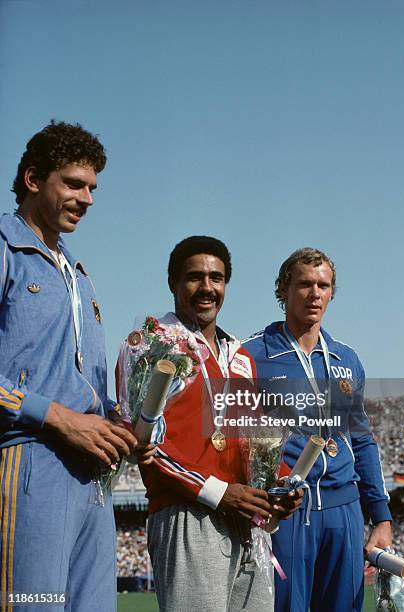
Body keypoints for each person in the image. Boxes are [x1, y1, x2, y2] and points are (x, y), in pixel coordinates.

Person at [0, 121, 137, 611]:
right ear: (34, 179)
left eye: (93, 188)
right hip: (31, 457)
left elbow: (86, 384)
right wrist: (57, 417)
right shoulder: (5, 249)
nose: (88, 198)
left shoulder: (79, 275)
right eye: (74, 184)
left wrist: (120, 421)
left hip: (91, 475)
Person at [137, 236, 301, 612]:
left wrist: (282, 482)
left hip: (248, 520)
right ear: (172, 282)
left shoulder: (240, 355)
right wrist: (219, 492)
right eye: (195, 277)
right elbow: (147, 443)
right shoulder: (154, 344)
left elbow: (256, 439)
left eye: (217, 278)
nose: (207, 287)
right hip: (190, 512)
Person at [243, 247, 392, 612]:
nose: (315, 294)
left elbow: (362, 441)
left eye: (323, 286)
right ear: (283, 289)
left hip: (344, 509)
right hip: (289, 510)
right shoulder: (250, 355)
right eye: (305, 284)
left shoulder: (347, 358)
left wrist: (382, 517)